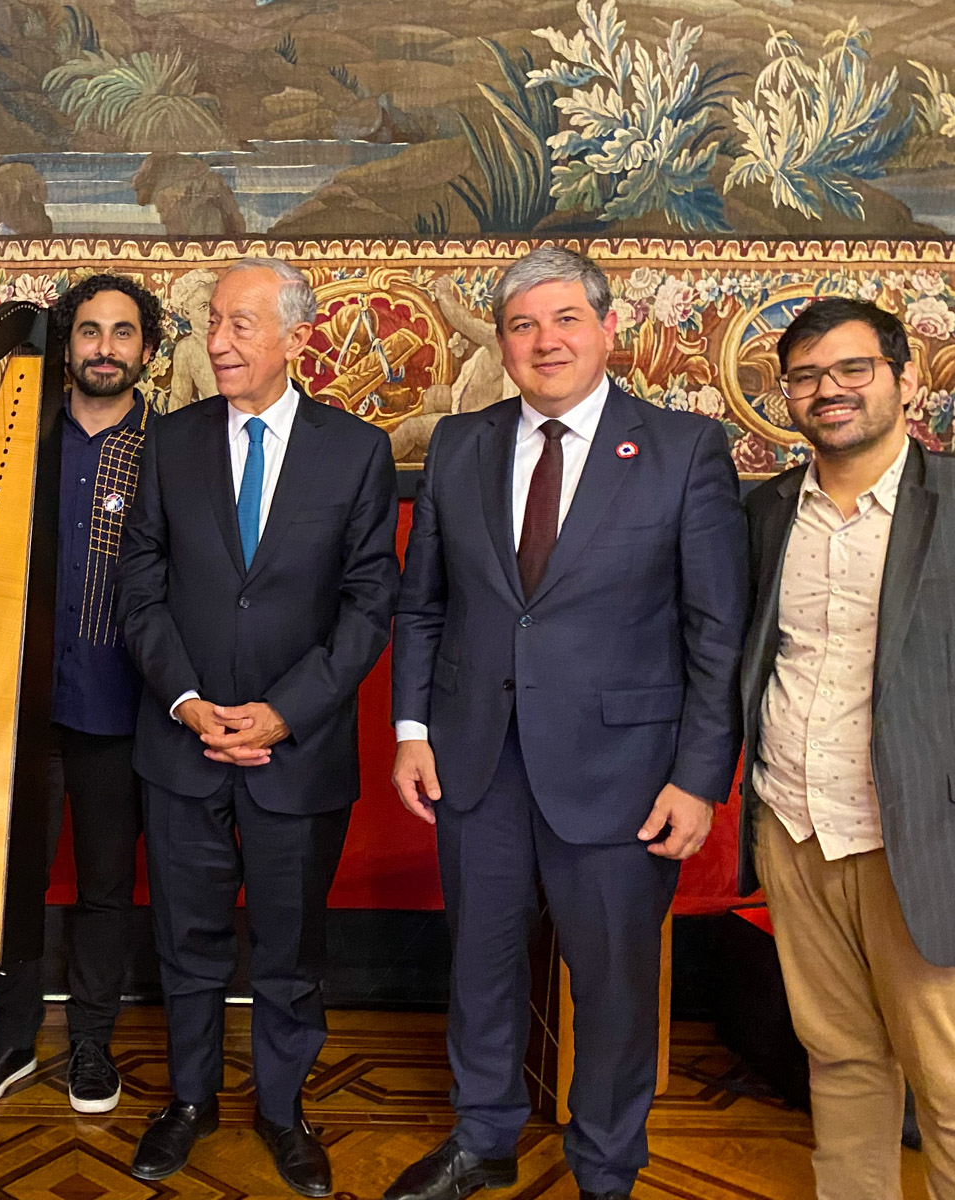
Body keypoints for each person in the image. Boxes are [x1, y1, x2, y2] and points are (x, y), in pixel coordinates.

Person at [386, 246, 747, 1200]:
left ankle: (605, 1165)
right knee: (482, 964)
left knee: (615, 986)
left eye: (564, 321)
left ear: (608, 328)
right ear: (501, 343)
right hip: (474, 761)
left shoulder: (681, 450)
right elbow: (422, 606)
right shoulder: (460, 445)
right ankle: (485, 1136)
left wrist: (701, 778)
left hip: (626, 774)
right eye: (521, 326)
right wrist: (412, 732)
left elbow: (717, 633)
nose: (544, 342)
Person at [117, 257, 400, 1197]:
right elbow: (141, 587)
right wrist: (189, 702)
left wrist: (284, 712)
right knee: (187, 941)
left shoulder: (356, 451)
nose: (220, 341)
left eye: (242, 324)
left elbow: (368, 606)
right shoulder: (170, 441)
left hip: (299, 751)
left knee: (289, 947)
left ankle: (282, 1110)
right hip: (182, 742)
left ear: (298, 337)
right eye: (213, 322)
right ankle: (189, 1101)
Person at [739, 297, 955, 1200]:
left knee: (947, 1085)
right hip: (793, 823)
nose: (829, 391)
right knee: (840, 1058)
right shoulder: (767, 512)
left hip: (922, 838)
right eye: (806, 376)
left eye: (852, 370)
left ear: (906, 380)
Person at [0, 273, 161, 1115]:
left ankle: (94, 1049)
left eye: (123, 332)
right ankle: (8, 1046)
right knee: (12, 885)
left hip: (122, 709)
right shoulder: (20, 441)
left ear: (145, 349)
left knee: (107, 885)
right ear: (65, 345)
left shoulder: (168, 448)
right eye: (90, 331)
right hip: (22, 712)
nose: (105, 347)